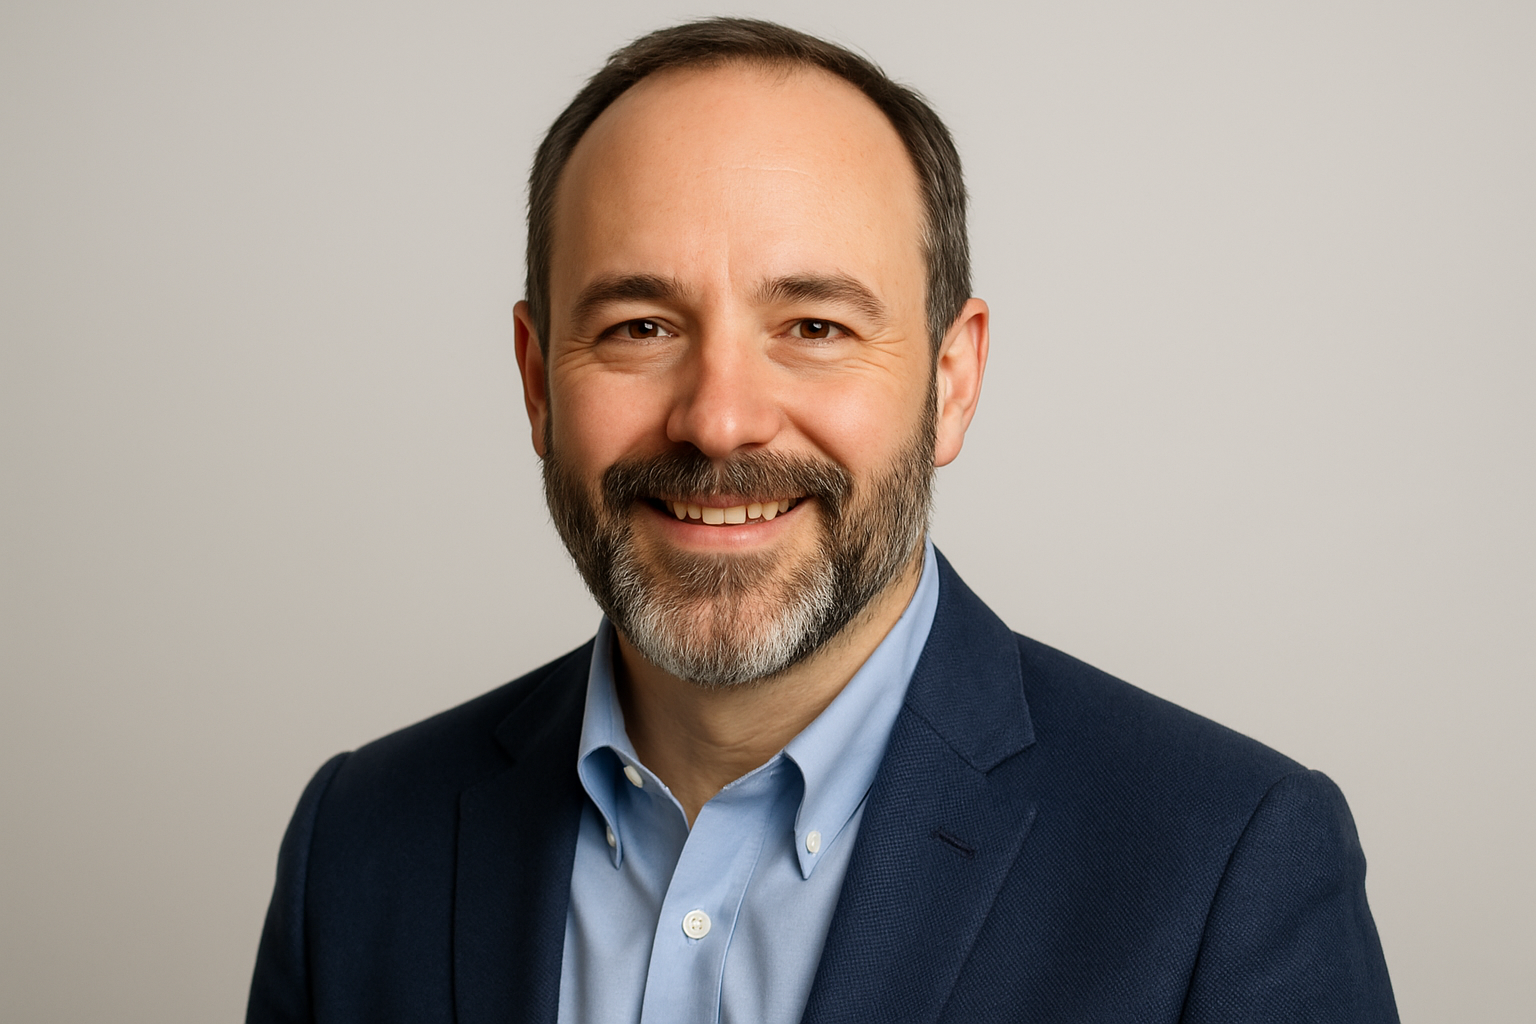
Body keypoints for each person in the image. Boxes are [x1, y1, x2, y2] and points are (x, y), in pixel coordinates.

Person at [247, 17, 1397, 1024]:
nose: (720, 421)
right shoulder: (359, 842)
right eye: (641, 326)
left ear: (952, 381)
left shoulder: (1224, 864)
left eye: (814, 327)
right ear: (538, 378)